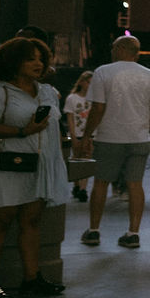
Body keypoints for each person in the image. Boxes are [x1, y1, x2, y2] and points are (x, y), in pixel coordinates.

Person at [0, 36, 69, 298]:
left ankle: (31, 278)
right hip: (10, 164)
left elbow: (55, 128)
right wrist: (21, 131)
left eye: (41, 58)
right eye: (30, 58)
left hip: (41, 165)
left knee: (32, 221)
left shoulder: (48, 92)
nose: (38, 63)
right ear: (14, 62)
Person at [82, 36, 150, 248]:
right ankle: (133, 232)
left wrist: (87, 135)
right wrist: (145, 128)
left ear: (119, 48)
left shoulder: (103, 72)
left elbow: (98, 109)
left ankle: (93, 230)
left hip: (110, 137)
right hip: (138, 138)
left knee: (101, 183)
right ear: (136, 52)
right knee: (135, 184)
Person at [64, 69, 94, 200]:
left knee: (86, 158)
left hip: (90, 133)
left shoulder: (93, 99)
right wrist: (73, 135)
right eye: (88, 82)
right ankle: (77, 184)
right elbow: (70, 117)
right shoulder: (72, 98)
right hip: (77, 132)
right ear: (82, 82)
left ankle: (83, 188)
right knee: (76, 158)